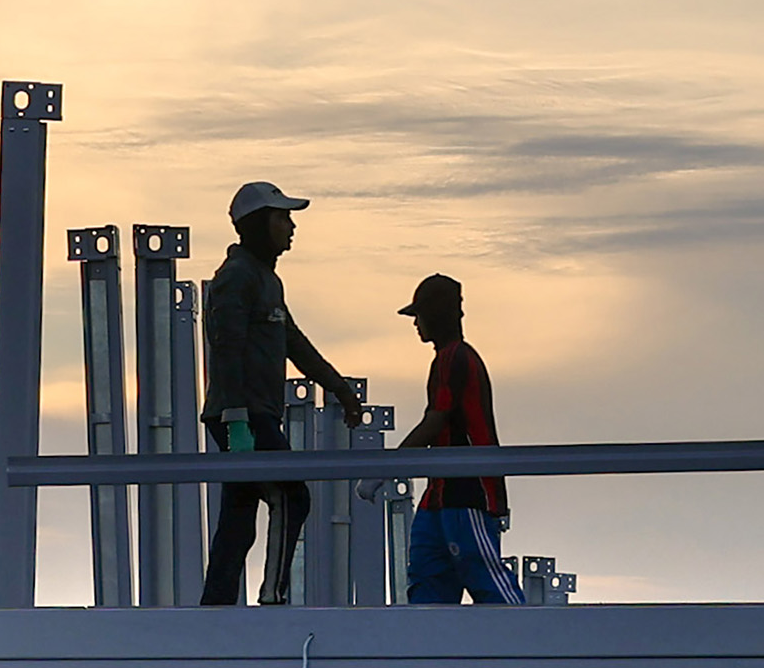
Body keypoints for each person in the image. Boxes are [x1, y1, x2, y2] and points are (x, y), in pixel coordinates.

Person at [200, 182, 365, 606]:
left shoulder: (266, 279)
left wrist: (340, 389)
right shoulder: (237, 277)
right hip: (244, 417)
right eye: (282, 218)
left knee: (238, 518)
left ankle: (214, 608)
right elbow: (227, 347)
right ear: (257, 224)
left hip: (256, 414)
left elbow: (294, 342)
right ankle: (274, 597)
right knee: (292, 495)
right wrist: (236, 421)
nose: (291, 227)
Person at [396, 273, 524, 605]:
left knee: (486, 578)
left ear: (437, 313)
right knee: (427, 583)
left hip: (466, 491)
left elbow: (435, 419)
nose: (416, 324)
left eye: (419, 315)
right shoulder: (446, 358)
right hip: (440, 494)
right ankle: (431, 652)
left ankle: (531, 645)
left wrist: (386, 467)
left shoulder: (456, 357)